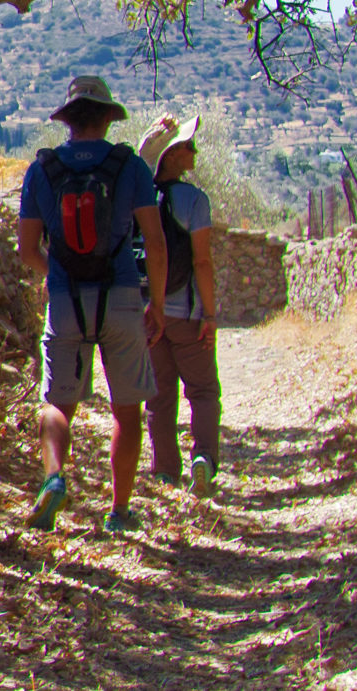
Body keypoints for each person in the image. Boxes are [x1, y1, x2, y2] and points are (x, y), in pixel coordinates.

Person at [17, 76, 167, 533]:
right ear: (107, 118)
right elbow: (156, 244)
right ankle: (119, 511)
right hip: (121, 297)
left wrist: (62, 276)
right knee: (127, 408)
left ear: (67, 122)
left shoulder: (42, 170)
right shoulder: (130, 166)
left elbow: (26, 251)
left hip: (65, 301)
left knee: (57, 403)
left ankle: (55, 477)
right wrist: (155, 305)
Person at [138, 114, 221, 498]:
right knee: (203, 391)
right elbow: (202, 262)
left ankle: (166, 472)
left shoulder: (140, 200)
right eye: (188, 145)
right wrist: (210, 314)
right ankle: (203, 459)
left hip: (149, 315)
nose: (195, 151)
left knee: (159, 397)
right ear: (171, 155)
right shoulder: (194, 201)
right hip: (187, 314)